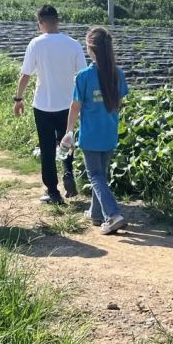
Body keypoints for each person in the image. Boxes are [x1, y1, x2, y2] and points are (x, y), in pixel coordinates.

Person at [14, 5, 87, 205]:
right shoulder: (73, 44)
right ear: (57, 20)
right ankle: (68, 172)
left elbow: (25, 74)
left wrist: (19, 99)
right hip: (67, 104)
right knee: (66, 140)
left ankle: (53, 191)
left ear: (40, 23)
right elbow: (82, 76)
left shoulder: (36, 44)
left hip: (43, 105)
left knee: (47, 148)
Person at [60, 26, 130, 235]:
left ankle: (113, 215)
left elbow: (75, 106)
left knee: (95, 176)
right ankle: (96, 214)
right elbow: (119, 102)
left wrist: (69, 131)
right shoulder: (117, 74)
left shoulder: (84, 76)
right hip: (109, 133)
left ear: (90, 49)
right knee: (102, 174)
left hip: (90, 135)